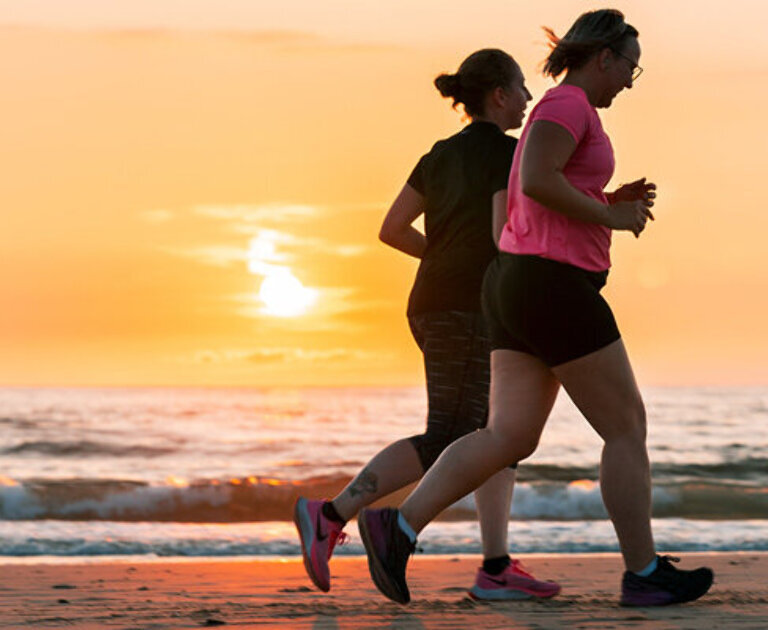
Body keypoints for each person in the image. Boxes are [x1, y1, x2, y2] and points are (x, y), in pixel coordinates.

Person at [356, 10, 714, 607]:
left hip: (517, 285)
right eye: (630, 65)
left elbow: (539, 192)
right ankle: (643, 572)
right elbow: (538, 179)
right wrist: (610, 216)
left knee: (507, 436)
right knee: (626, 428)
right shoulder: (567, 105)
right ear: (604, 57)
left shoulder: (558, 109)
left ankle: (398, 526)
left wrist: (602, 196)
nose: (630, 79)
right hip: (553, 287)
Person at [292, 48, 561, 601]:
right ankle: (332, 513)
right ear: (499, 95)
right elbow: (497, 237)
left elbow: (392, 229)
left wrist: (439, 258)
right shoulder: (508, 155)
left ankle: (496, 566)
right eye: (521, 89)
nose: (529, 100)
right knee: (451, 432)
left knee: (497, 433)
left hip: (435, 301)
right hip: (467, 306)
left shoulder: (437, 155)